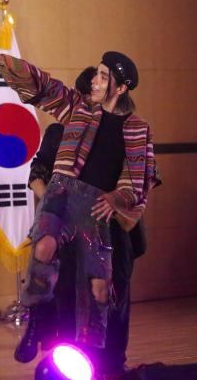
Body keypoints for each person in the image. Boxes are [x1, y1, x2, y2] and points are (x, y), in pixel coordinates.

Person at [0, 44, 161, 373]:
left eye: (103, 77)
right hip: (64, 200)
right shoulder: (78, 109)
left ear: (120, 87)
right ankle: (39, 322)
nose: (96, 81)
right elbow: (44, 86)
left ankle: (106, 364)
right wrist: (1, 59)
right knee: (48, 256)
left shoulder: (136, 127)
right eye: (97, 74)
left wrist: (116, 199)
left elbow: (139, 178)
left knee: (101, 291)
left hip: (99, 217)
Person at [29, 66, 148, 376]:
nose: (93, 95)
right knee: (68, 293)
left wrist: (118, 204)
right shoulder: (62, 132)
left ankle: (113, 364)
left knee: (112, 295)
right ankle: (72, 363)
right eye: (89, 91)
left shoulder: (129, 130)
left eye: (101, 85)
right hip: (72, 230)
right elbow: (41, 175)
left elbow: (144, 181)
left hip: (112, 230)